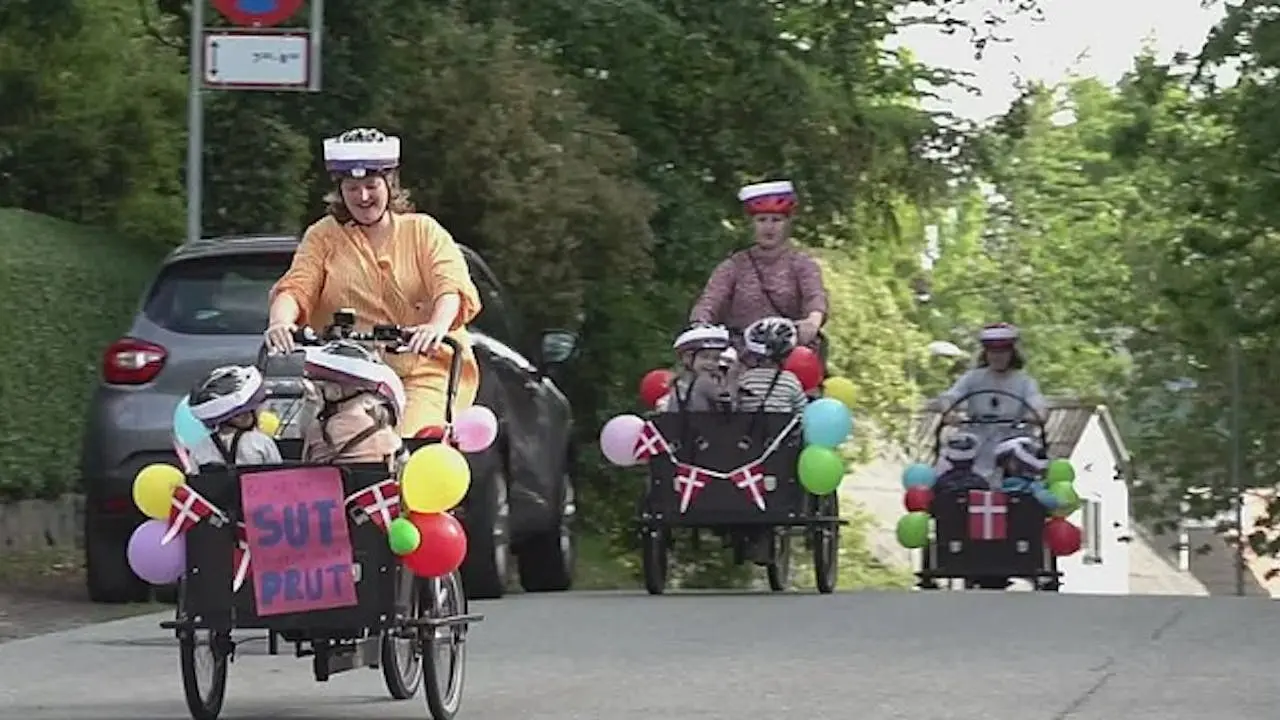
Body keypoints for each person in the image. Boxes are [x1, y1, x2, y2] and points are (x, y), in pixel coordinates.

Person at [264, 127, 483, 436]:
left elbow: (450, 288)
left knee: (410, 444)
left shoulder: (424, 232)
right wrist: (280, 322)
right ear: (339, 191)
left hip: (421, 371)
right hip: (348, 376)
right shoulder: (323, 236)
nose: (363, 196)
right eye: (352, 188)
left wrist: (434, 327)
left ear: (389, 185)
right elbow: (297, 287)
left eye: (371, 185)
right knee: (334, 443)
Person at [689, 180, 829, 354]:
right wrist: (699, 324)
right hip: (741, 354)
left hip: (789, 351)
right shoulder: (734, 265)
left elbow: (815, 297)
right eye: (762, 220)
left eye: (776, 220)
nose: (769, 227)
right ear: (752, 224)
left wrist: (812, 320)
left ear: (787, 224)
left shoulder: (802, 264)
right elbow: (710, 300)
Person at [301, 340, 408, 466]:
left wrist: (310, 402)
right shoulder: (385, 436)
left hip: (327, 484)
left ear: (336, 392)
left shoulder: (317, 431)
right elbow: (404, 464)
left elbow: (305, 463)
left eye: (321, 388)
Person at [927, 323, 1048, 421]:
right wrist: (949, 411)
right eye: (993, 352)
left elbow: (1038, 405)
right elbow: (950, 396)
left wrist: (1035, 415)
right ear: (985, 354)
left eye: (1003, 352)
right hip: (976, 436)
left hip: (1014, 437)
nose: (997, 357)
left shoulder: (1025, 382)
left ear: (1012, 354)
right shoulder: (972, 378)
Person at [187, 366, 283, 469]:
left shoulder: (199, 449)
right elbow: (280, 478)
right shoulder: (261, 443)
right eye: (256, 408)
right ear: (240, 417)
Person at [733, 317, 807, 414]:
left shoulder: (745, 379)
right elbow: (802, 411)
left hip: (750, 428)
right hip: (782, 428)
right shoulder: (790, 381)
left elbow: (737, 408)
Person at [656, 324, 735, 412]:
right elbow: (730, 407)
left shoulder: (679, 383)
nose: (710, 363)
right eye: (705, 357)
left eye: (716, 359)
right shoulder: (703, 384)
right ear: (687, 357)